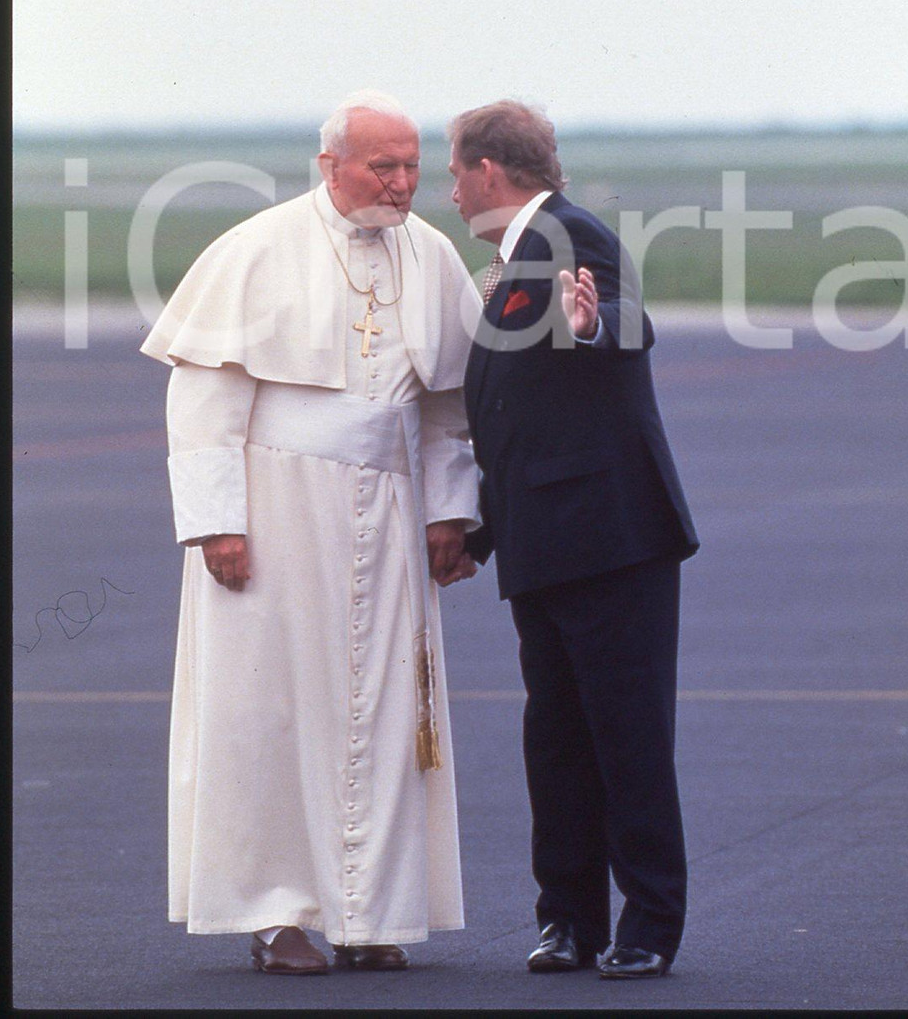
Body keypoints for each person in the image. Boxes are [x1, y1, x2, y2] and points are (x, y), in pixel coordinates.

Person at [141, 90, 481, 976]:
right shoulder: (256, 249)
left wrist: (453, 510)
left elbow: (448, 408)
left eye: (411, 166)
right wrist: (218, 522)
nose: (403, 183)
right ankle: (277, 914)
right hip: (278, 508)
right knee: (271, 707)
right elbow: (205, 401)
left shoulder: (434, 254)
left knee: (387, 707)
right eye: (384, 165)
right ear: (330, 165)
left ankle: (372, 912)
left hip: (395, 511)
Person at [448, 99, 699, 980]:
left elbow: (629, 325)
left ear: (487, 170)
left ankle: (648, 925)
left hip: (610, 538)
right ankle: (568, 920)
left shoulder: (568, 234)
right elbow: (515, 415)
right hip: (545, 541)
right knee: (555, 738)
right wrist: (480, 533)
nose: (448, 191)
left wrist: (591, 327)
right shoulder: (520, 253)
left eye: (452, 173)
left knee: (625, 735)